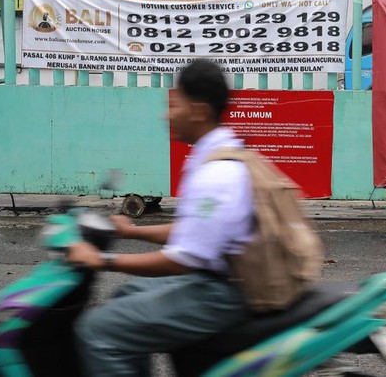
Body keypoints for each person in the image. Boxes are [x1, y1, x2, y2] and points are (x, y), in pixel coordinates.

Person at [67, 59, 254, 376]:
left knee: (97, 330)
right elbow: (197, 231)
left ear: (198, 111)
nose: (165, 114)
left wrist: (103, 260)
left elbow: (185, 258)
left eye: (174, 104)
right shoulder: (214, 153)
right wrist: (131, 232)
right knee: (123, 296)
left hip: (220, 294)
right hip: (214, 281)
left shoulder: (217, 173)